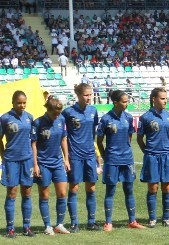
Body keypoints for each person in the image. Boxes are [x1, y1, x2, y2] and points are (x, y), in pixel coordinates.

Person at [97, 90, 146, 231]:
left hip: (127, 159)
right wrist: (106, 156)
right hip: (112, 159)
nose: (127, 104)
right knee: (110, 190)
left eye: (127, 101)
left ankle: (132, 221)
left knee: (129, 189)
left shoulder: (129, 118)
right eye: (124, 102)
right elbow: (100, 141)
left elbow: (129, 137)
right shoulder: (106, 119)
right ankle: (108, 222)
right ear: (116, 102)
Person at [62, 83, 100, 232]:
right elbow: (62, 135)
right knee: (74, 187)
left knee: (91, 187)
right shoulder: (68, 112)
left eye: (90, 95)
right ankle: (74, 223)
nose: (89, 98)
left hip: (89, 154)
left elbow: (93, 133)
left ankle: (91, 222)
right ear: (78, 95)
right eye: (86, 95)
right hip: (75, 156)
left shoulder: (93, 111)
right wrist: (67, 156)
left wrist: (95, 154)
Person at [32, 96, 71, 235]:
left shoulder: (61, 120)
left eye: (59, 113)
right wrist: (35, 164)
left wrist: (66, 159)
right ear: (48, 110)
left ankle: (59, 224)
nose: (57, 116)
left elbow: (64, 139)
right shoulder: (37, 123)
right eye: (55, 113)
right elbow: (33, 145)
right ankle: (47, 226)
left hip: (58, 162)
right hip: (43, 163)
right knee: (45, 195)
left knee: (62, 193)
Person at [137, 87, 169, 227]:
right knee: (153, 188)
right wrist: (147, 152)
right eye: (162, 98)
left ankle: (166, 218)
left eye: (166, 98)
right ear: (154, 99)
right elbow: (139, 138)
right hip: (152, 156)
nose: (165, 101)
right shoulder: (145, 117)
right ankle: (152, 218)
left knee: (167, 187)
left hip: (167, 156)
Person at [0, 91, 35, 238]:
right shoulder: (4, 118)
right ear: (13, 103)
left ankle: (26, 227)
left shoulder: (29, 117)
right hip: (11, 160)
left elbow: (33, 139)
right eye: (19, 103)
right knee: (12, 192)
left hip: (27, 159)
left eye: (24, 102)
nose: (22, 105)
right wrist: (4, 156)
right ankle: (10, 228)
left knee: (27, 192)